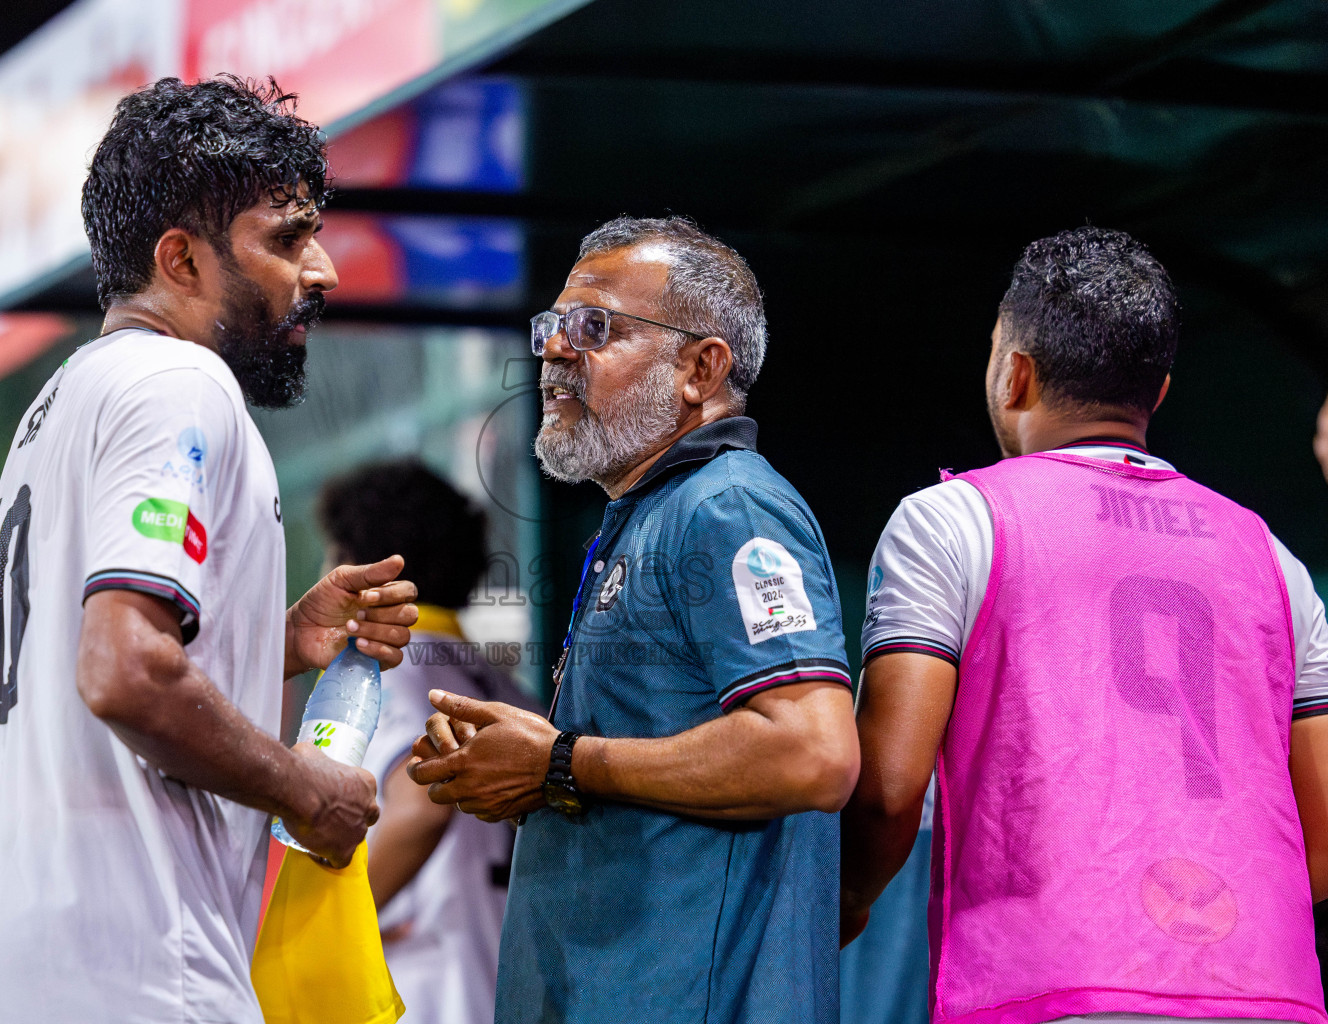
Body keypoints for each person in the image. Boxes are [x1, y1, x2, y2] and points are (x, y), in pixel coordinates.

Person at [0, 77, 418, 1024]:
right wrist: (308, 791)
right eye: (286, 238)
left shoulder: (63, 398)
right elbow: (126, 673)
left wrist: (272, 639)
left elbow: (78, 665)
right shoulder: (179, 384)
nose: (322, 272)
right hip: (128, 967)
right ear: (180, 260)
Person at [842, 226, 1328, 1024]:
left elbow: (891, 792)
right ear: (1159, 392)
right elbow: (1321, 833)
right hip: (1265, 990)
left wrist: (847, 898)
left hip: (1049, 987)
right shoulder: (1271, 556)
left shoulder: (954, 521)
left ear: (1014, 374)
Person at [407, 216, 861, 1023]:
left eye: (595, 327)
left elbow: (811, 751)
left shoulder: (731, 508)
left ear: (700, 367)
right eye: (551, 326)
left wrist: (559, 764)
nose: (553, 349)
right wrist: (525, 766)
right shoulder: (649, 515)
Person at [316, 459, 539, 1024]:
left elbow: (419, 810)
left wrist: (323, 935)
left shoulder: (386, 669)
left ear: (357, 566)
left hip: (430, 991)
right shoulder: (513, 695)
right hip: (514, 987)